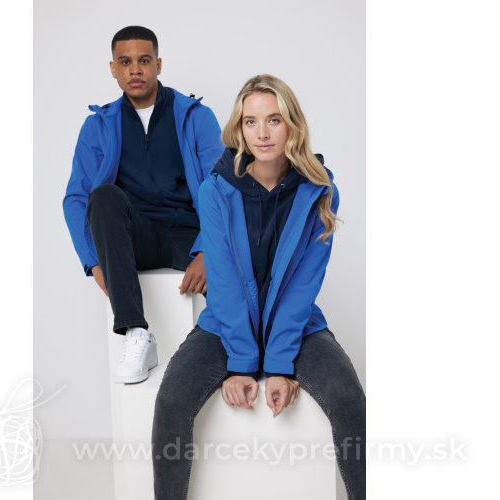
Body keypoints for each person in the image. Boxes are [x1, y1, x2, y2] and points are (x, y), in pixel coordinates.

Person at [152, 74, 365, 499]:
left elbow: (304, 285)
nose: (262, 133)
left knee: (348, 399)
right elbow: (224, 283)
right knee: (172, 402)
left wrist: (281, 364)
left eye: (274, 120)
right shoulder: (215, 190)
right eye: (251, 121)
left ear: (292, 125)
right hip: (225, 325)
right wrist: (242, 364)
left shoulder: (321, 192)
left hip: (297, 325)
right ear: (240, 128)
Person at [63, 26, 223, 384]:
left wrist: (207, 251)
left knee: (237, 291)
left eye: (144, 61)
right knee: (102, 195)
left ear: (158, 64)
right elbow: (76, 197)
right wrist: (93, 262)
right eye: (125, 62)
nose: (135, 70)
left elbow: (221, 187)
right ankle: (136, 334)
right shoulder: (98, 125)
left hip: (189, 235)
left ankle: (243, 355)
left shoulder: (196, 116)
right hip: (138, 238)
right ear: (113, 68)